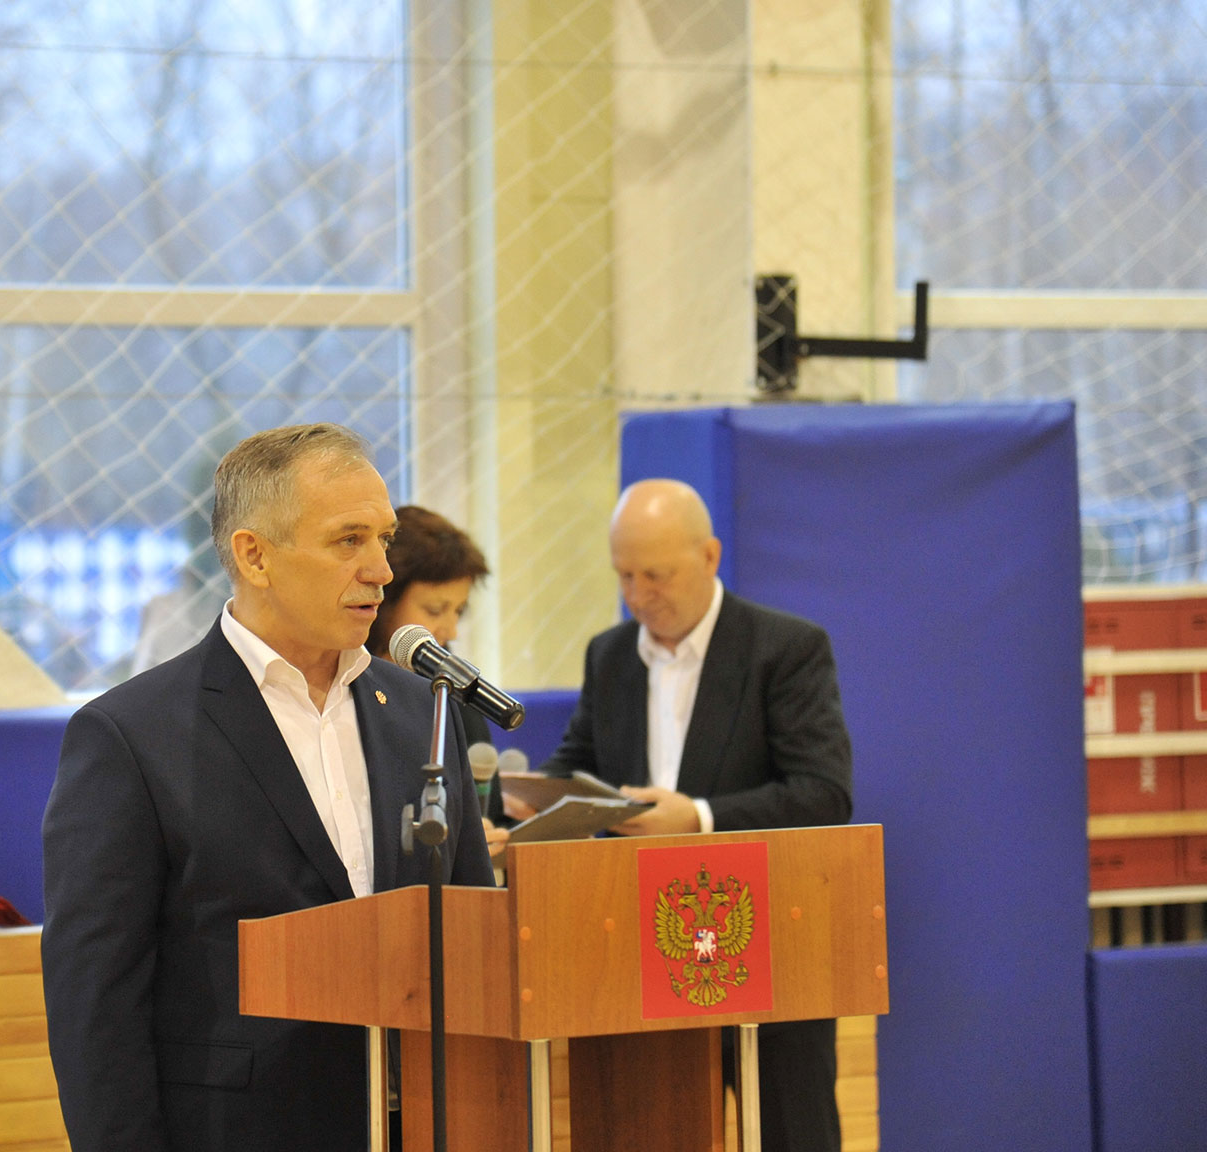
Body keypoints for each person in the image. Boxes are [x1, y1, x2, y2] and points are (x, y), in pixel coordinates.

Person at [42, 423, 495, 1152]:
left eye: (383, 538)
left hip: (417, 1122)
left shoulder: (422, 712)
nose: (381, 569)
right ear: (255, 555)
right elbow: (95, 1003)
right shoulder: (131, 735)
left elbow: (472, 938)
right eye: (349, 540)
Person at [538, 478, 852, 1152]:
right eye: (624, 575)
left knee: (791, 1129)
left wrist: (700, 818)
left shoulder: (784, 648)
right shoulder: (610, 655)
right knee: (646, 1129)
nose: (637, 594)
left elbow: (823, 793)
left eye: (656, 574)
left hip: (770, 939)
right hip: (638, 945)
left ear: (709, 556)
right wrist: (524, 811)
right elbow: (574, 766)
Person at [365, 505, 508, 857]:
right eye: (434, 610)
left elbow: (491, 809)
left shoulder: (454, 686)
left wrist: (489, 835)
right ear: (384, 600)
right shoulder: (344, 684)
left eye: (458, 610)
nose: (451, 630)